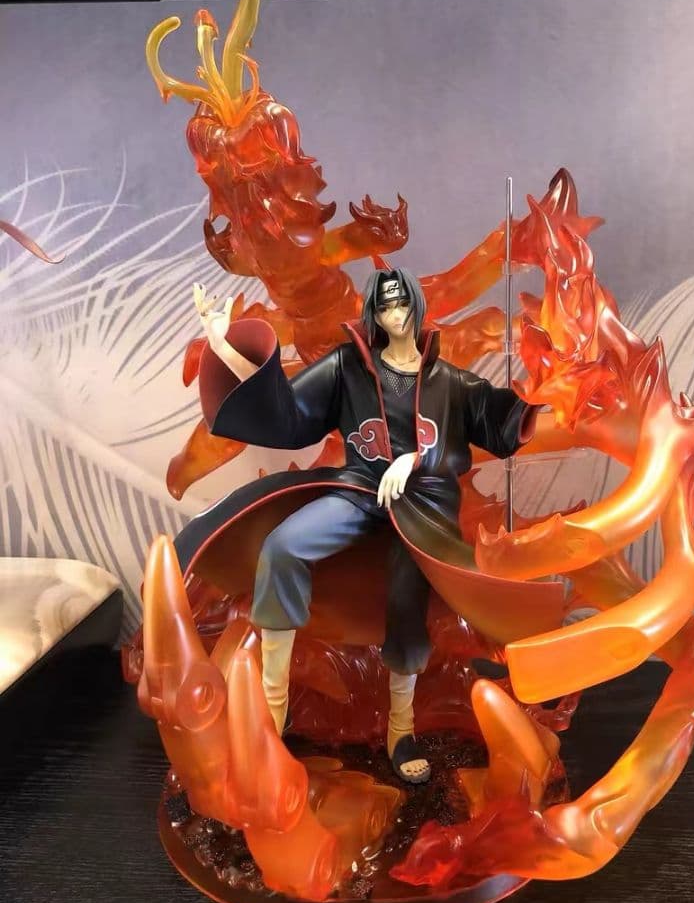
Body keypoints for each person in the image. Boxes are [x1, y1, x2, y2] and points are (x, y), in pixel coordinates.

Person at [190, 267, 539, 784]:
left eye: (402, 302)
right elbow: (285, 409)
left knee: (407, 589)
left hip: (423, 506)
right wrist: (224, 347)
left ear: (416, 305)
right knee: (282, 547)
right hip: (360, 490)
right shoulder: (348, 367)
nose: (395, 314)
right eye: (384, 305)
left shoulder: (450, 382)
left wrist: (417, 459)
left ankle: (402, 729)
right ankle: (270, 716)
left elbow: (506, 421)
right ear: (374, 313)